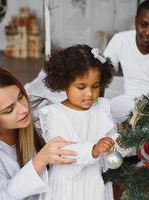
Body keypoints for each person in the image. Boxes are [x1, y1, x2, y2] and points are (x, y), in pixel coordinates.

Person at [0, 65, 77, 200]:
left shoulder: (40, 117)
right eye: (9, 110)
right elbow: (0, 197)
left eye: (20, 96)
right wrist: (40, 160)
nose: (23, 109)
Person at [37, 45, 120, 200]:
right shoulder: (55, 114)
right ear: (64, 83)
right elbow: (62, 150)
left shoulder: (101, 108)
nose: (89, 94)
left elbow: (111, 137)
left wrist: (118, 140)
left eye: (95, 86)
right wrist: (94, 149)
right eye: (81, 87)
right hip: (67, 186)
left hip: (94, 182)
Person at [104, 0, 149, 123]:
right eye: (143, 24)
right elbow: (101, 74)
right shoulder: (121, 40)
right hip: (128, 101)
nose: (148, 32)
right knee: (104, 113)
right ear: (135, 20)